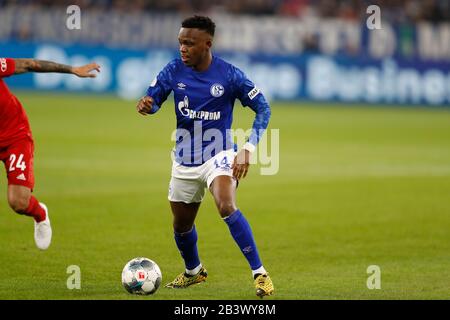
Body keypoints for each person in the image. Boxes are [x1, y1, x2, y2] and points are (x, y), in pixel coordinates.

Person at [136, 15, 274, 297]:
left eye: (189, 43)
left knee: (225, 204)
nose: (182, 48)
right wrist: (147, 105)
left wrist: (248, 148)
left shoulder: (230, 75)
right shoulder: (173, 70)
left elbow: (263, 108)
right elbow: (154, 101)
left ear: (207, 44)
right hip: (185, 157)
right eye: (180, 43)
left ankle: (260, 274)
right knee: (181, 225)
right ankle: (194, 271)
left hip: (220, 152)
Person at [0, 58, 100, 250]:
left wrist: (72, 69)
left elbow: (30, 65)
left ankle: (40, 214)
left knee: (18, 202)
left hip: (14, 136)